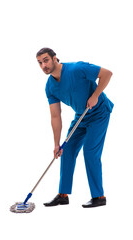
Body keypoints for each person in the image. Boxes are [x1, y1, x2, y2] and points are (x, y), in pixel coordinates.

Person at [36, 47, 114, 208]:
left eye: (46, 60)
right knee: (67, 150)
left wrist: (95, 95)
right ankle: (63, 195)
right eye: (39, 63)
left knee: (90, 152)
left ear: (55, 58)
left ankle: (99, 196)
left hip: (99, 112)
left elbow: (107, 74)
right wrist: (57, 144)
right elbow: (55, 116)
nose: (43, 65)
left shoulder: (77, 68)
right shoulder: (50, 87)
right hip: (81, 116)